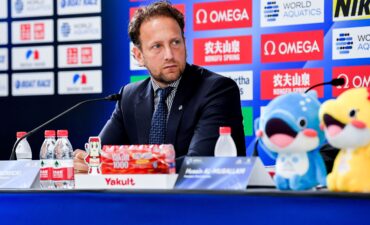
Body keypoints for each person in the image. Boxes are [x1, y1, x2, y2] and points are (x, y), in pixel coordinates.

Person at [73, 1, 246, 173]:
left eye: (175, 42)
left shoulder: (218, 90)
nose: (169, 55)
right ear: (139, 55)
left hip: (198, 198)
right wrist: (87, 162)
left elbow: (199, 163)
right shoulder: (129, 96)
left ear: (185, 43)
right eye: (157, 46)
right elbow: (99, 157)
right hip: (141, 200)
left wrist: (126, 165)